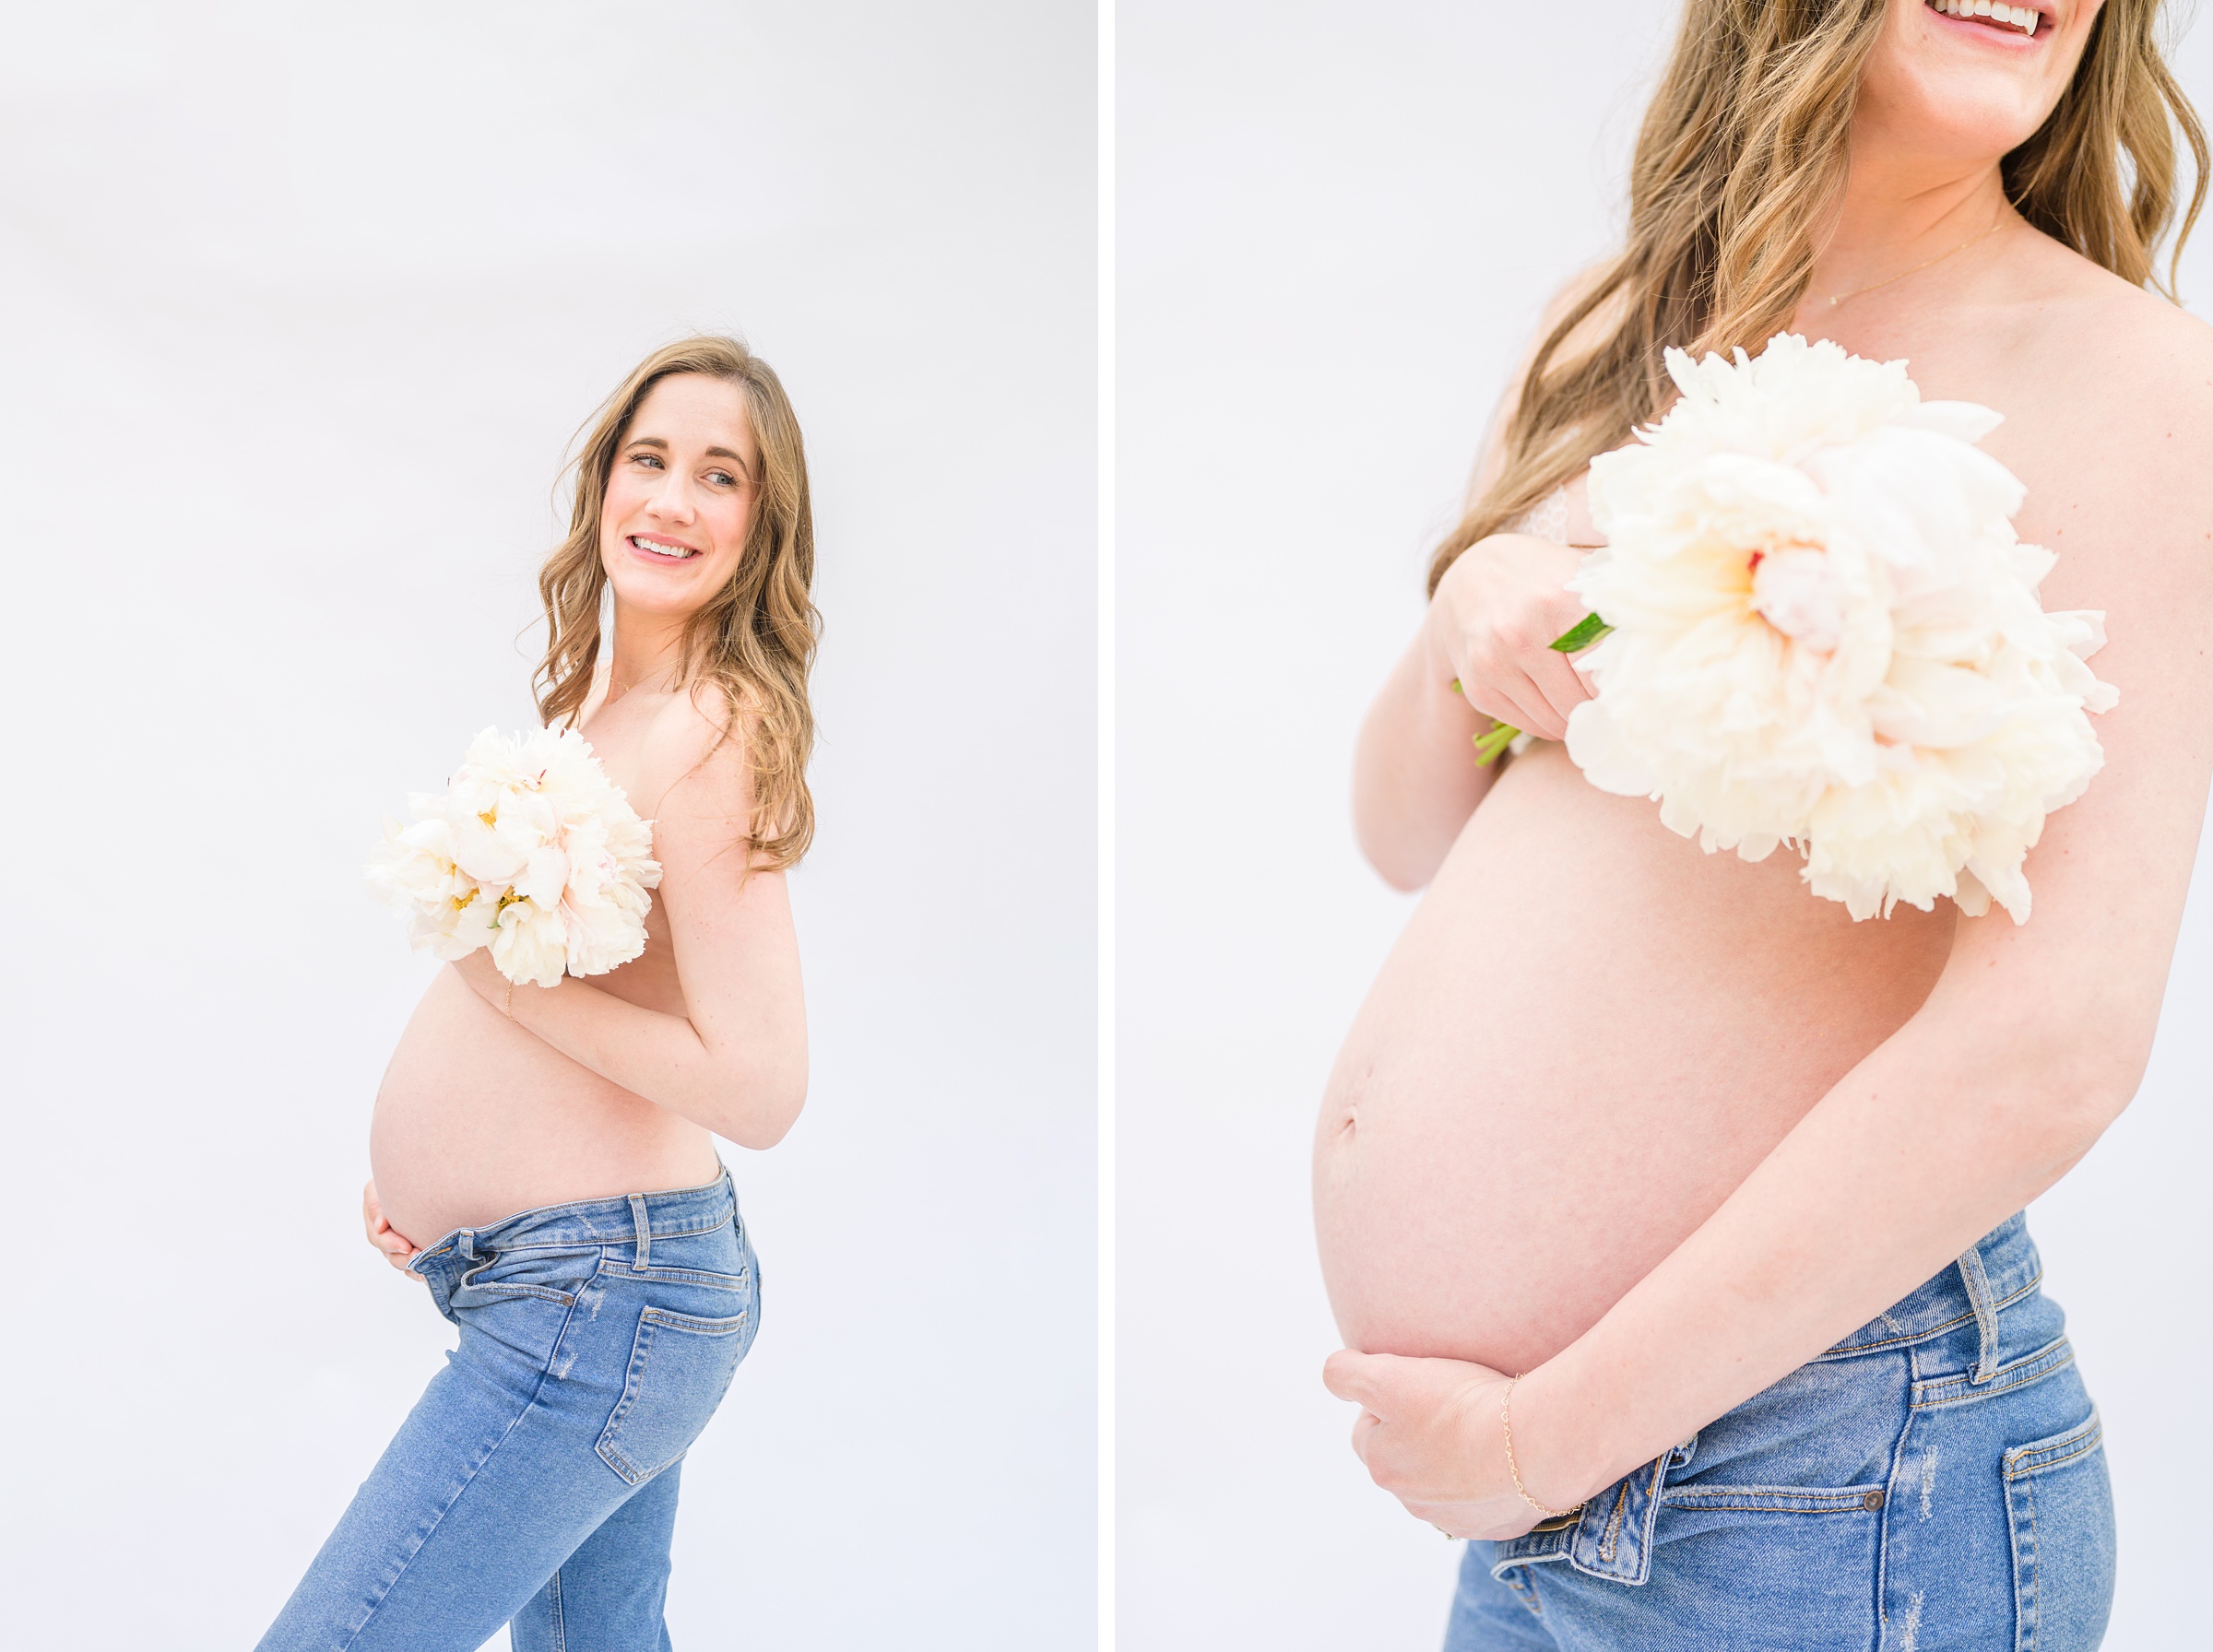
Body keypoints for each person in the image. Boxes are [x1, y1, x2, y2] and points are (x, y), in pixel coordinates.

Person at [1314, 2, 2213, 1646]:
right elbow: (1403, 828)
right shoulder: (1610, 333)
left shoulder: (2136, 383)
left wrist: (1547, 1437)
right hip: (1562, 1503)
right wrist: (1470, 613)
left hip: (1837, 1481)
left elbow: (2058, 1045)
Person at [260, 336, 816, 1651]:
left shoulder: (709, 732)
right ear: (604, 484)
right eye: (651, 460)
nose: (673, 499)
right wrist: (448, 1199)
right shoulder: (595, 711)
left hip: (607, 1302)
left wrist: (503, 1000)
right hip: (562, 1281)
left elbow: (762, 1086)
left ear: (762, 525)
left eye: (720, 476)